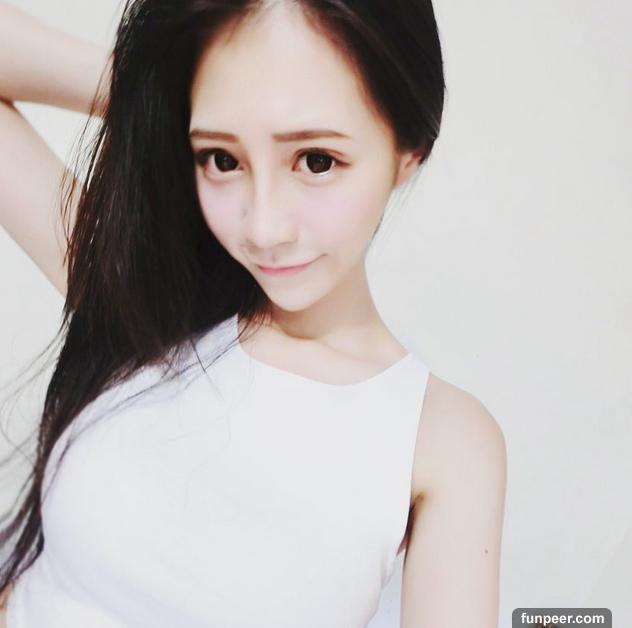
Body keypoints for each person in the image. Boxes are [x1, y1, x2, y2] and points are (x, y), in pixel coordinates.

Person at [0, 0, 507, 626]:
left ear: (410, 150)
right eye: (222, 158)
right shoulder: (149, 305)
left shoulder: (441, 439)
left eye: (316, 160)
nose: (263, 227)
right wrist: (161, 94)